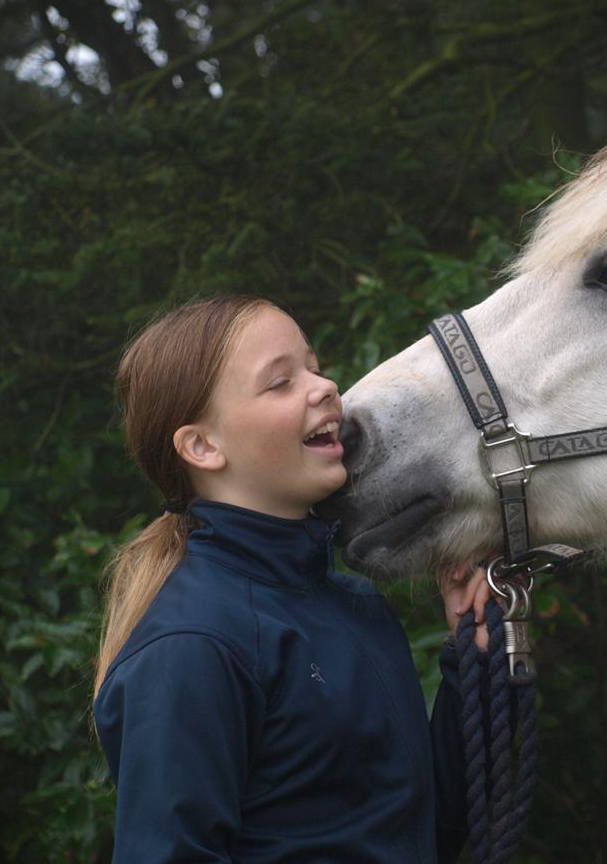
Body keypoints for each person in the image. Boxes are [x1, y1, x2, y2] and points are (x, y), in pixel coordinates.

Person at [92, 295, 490, 863]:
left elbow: (427, 835)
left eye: (314, 365)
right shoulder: (192, 645)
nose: (325, 386)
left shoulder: (353, 604)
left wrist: (472, 664)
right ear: (203, 446)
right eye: (280, 383)